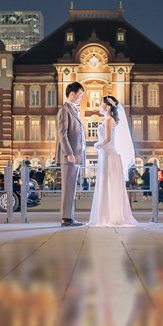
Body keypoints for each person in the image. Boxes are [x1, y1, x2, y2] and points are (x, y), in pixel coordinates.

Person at [88, 95, 138, 228]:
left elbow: (107, 139)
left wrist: (97, 144)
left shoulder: (109, 120)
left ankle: (107, 216)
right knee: (106, 184)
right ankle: (107, 215)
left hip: (109, 155)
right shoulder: (109, 120)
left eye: (101, 103)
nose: (99, 106)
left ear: (108, 107)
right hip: (106, 154)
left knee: (107, 184)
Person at [56, 81, 86, 227]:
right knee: (68, 188)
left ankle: (69, 216)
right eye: (80, 95)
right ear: (72, 94)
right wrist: (69, 152)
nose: (81, 98)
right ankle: (66, 218)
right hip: (70, 156)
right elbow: (62, 134)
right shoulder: (64, 110)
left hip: (76, 155)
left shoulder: (74, 110)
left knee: (72, 187)